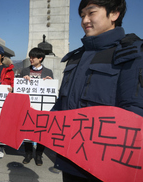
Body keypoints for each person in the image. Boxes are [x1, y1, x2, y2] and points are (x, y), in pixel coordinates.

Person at [52, 0, 143, 181]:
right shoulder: (75, 58)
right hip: (69, 161)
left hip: (107, 167)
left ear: (114, 14)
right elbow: (61, 105)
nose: (85, 20)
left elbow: (134, 114)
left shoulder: (131, 54)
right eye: (82, 15)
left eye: (91, 13)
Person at [19, 47, 53, 166]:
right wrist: (22, 80)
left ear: (40, 58)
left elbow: (51, 90)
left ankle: (39, 155)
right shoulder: (24, 70)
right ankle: (28, 154)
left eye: (33, 57)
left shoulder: (48, 72)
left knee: (41, 132)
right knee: (26, 130)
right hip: (28, 106)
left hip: (42, 108)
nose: (31, 59)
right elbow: (18, 87)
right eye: (30, 56)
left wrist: (50, 82)